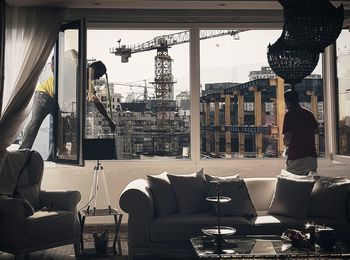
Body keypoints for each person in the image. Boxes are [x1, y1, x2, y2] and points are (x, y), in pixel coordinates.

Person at [19, 56, 67, 156]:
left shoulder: (62, 74)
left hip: (43, 95)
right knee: (56, 123)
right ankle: (61, 151)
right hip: (45, 95)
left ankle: (23, 150)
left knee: (35, 123)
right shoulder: (59, 73)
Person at [282, 89, 319, 175]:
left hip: (296, 157)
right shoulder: (309, 114)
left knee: (293, 185)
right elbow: (316, 131)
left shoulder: (289, 115)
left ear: (287, 101)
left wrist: (285, 142)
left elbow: (288, 138)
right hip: (311, 157)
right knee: (309, 184)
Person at [87, 61, 116, 132]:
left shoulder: (89, 84)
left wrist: (109, 120)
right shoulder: (78, 72)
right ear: (93, 69)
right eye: (98, 75)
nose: (98, 78)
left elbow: (97, 102)